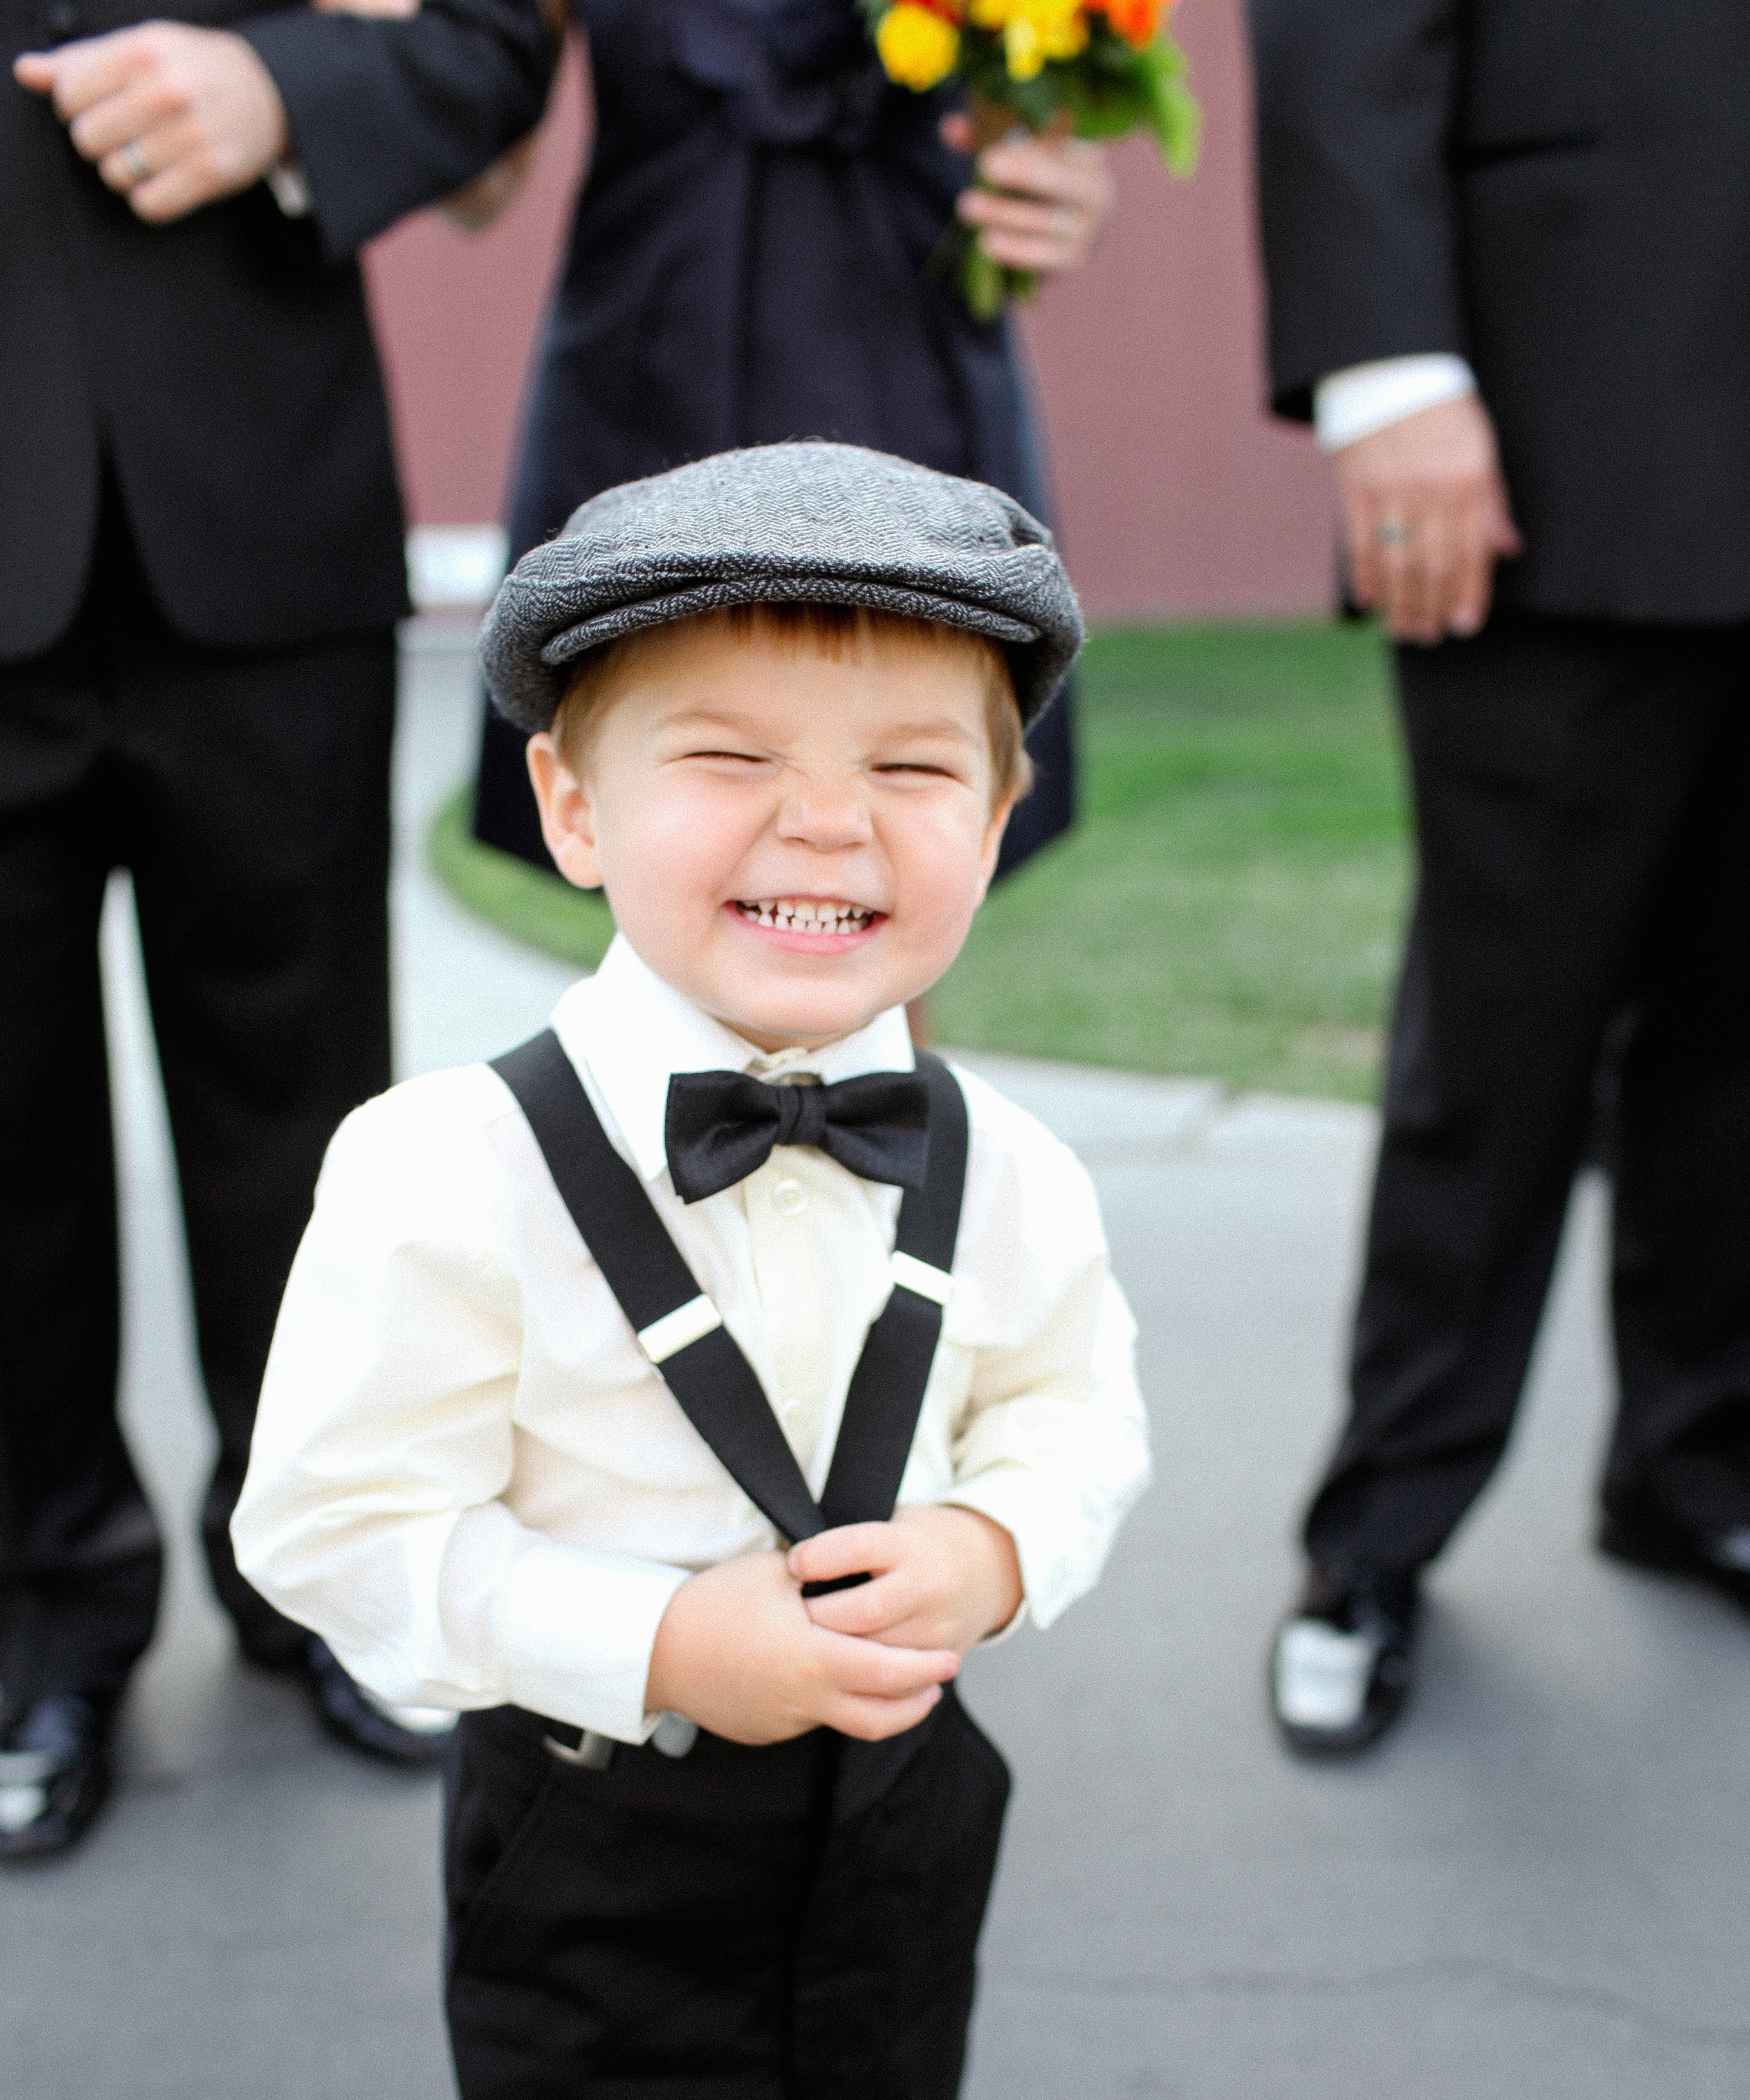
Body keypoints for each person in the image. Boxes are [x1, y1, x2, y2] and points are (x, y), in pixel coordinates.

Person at [233, 441, 1150, 2100]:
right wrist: (653, 1645)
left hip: (904, 1818)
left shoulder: (1010, 1165)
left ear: (1001, 815)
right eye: (727, 755)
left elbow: (1077, 1410)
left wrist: (1003, 1550)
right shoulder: (437, 1167)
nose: (827, 822)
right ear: (568, 807)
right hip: (597, 1846)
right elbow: (334, 1524)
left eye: (915, 767)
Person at [0, 0, 554, 1859]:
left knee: (312, 1128)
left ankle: (317, 1576)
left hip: (267, 516)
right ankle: (41, 1615)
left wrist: (287, 89)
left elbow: (489, 37)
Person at [1247, 0, 1750, 1755]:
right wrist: (1387, 362)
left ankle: (1694, 1472)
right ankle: (1380, 1531)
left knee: (1736, 1035)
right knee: (1503, 1029)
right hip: (1558, 399)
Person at [469, 0, 1115, 888]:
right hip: (651, 358)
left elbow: (1034, 110)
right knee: (651, 795)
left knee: (902, 812)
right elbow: (479, 176)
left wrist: (1056, 171)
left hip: (906, 358)